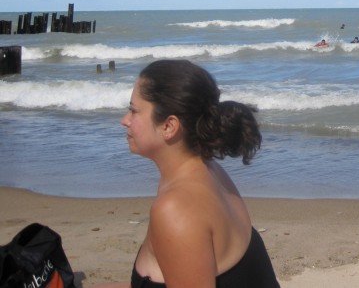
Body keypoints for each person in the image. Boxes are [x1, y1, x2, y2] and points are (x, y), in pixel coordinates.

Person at [96, 60, 279, 288]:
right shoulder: (207, 170)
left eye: (133, 110)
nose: (125, 120)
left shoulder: (176, 209)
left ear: (169, 126)